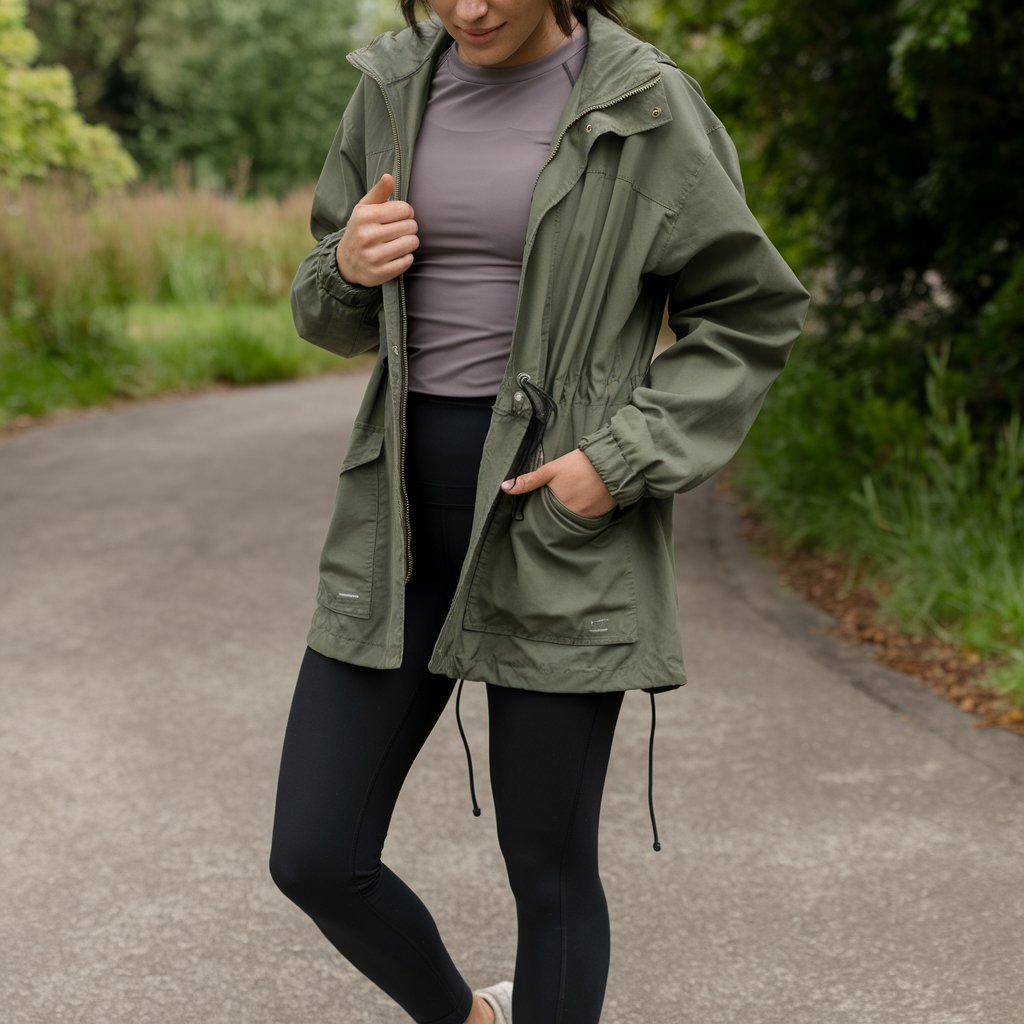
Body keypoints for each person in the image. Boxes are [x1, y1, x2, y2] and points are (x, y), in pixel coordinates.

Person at [269, 0, 809, 1021]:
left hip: (557, 522)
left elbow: (748, 312)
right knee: (314, 852)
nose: (467, 8)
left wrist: (619, 458)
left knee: (548, 873)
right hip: (396, 525)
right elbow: (325, 312)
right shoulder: (391, 85)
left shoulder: (643, 102)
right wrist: (345, 266)